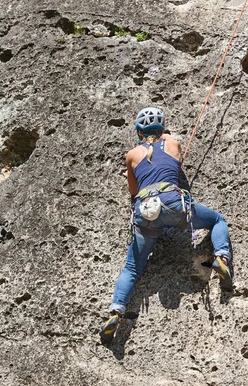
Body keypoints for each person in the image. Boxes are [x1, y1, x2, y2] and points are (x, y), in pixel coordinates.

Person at [99, 107, 233, 344]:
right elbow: (171, 146)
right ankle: (221, 258)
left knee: (132, 268)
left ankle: (116, 312)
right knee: (217, 220)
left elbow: (132, 190)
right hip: (175, 206)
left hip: (146, 212)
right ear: (162, 129)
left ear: (139, 132)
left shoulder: (132, 154)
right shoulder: (172, 144)